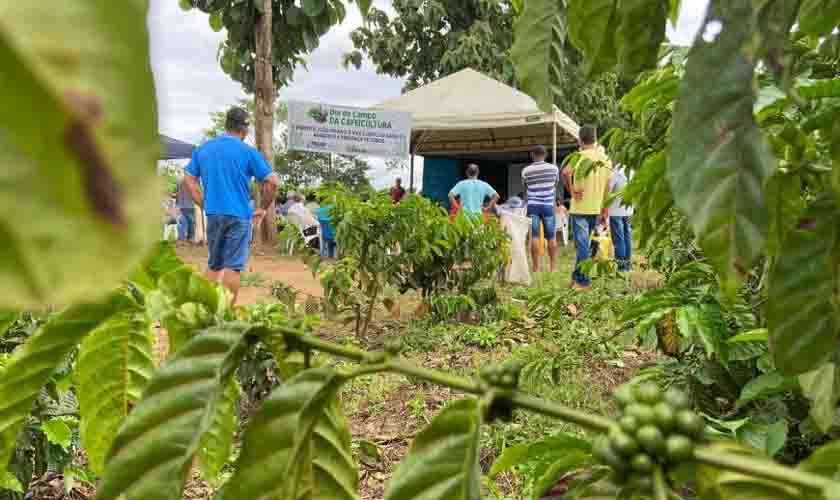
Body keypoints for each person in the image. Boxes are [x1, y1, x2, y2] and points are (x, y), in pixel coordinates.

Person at [183, 107, 279, 305]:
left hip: (214, 214)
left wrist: (203, 202)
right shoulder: (248, 152)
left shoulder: (204, 149)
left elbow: (189, 178)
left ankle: (206, 311)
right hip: (239, 216)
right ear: (244, 130)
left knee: (214, 265)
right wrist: (262, 208)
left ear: (226, 125)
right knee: (233, 267)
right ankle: (225, 314)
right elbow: (272, 182)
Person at [562, 125, 613, 290]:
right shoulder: (605, 159)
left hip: (579, 209)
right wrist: (605, 207)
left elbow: (565, 172)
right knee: (587, 245)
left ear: (580, 140)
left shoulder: (578, 156)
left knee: (583, 245)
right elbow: (608, 185)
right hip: (596, 208)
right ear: (595, 139)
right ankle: (576, 278)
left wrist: (571, 190)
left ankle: (582, 281)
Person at [522, 145, 560, 273]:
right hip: (548, 206)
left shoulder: (526, 171)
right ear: (546, 154)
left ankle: (536, 268)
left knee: (534, 237)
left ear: (532, 154)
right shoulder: (554, 169)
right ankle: (553, 267)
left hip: (533, 206)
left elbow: (525, 189)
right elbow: (555, 185)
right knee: (551, 236)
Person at [607, 164, 633, 272]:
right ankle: (627, 264)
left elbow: (608, 191)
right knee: (627, 237)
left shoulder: (615, 173)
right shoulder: (631, 170)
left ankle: (621, 266)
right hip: (629, 209)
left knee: (619, 239)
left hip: (615, 210)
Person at [175, 175, 196, 242]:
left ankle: (182, 238)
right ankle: (190, 237)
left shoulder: (179, 181)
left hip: (182, 205)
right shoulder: (193, 182)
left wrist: (177, 204)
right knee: (190, 222)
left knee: (182, 222)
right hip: (189, 205)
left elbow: (177, 194)